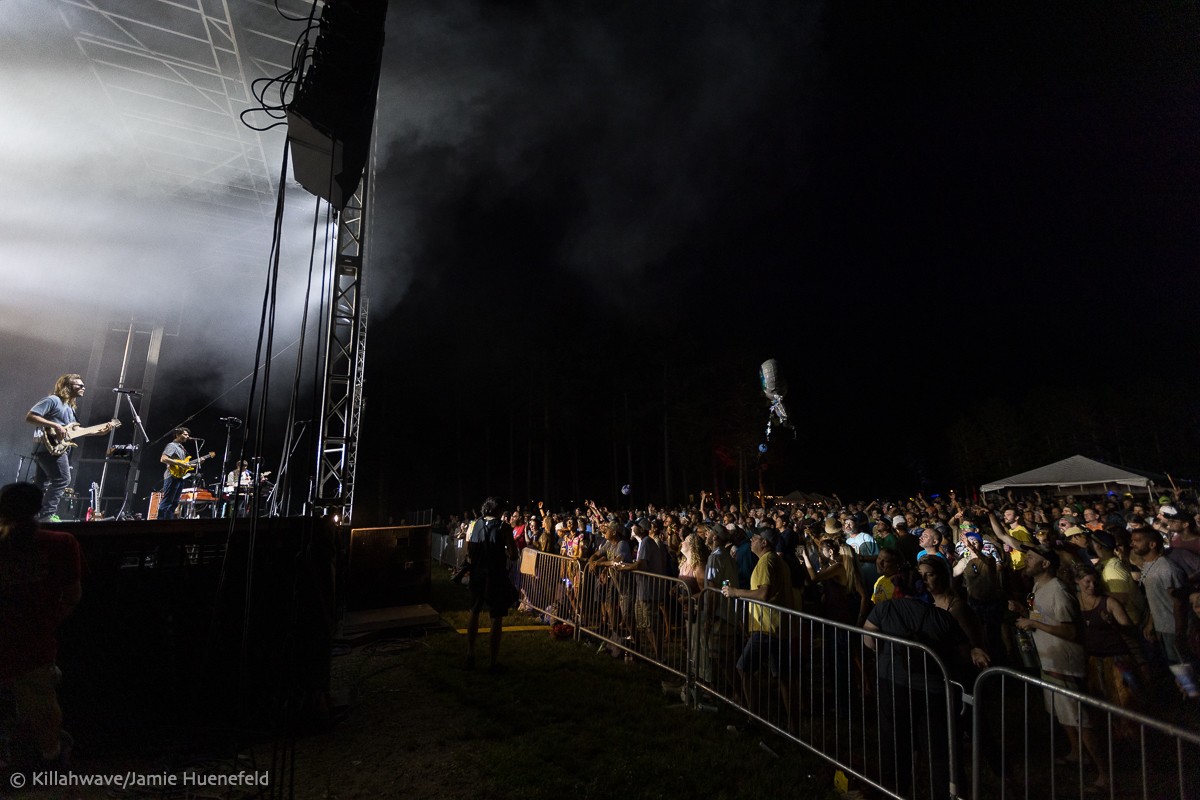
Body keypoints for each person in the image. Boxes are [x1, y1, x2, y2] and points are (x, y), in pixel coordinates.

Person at [1010, 548, 1107, 791]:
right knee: (1063, 714)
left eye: (1031, 558)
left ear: (1045, 564)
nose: (1026, 561)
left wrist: (1032, 622)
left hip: (1065, 663)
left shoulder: (1058, 590)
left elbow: (1070, 631)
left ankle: (1105, 772)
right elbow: (1045, 617)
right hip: (1049, 661)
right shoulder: (1038, 587)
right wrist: (1025, 613)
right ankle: (1077, 753)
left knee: (1079, 718)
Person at [0, 482, 81, 770]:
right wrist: (44, 623)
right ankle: (50, 757)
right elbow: (72, 597)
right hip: (36, 644)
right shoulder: (62, 544)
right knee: (43, 703)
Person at [25, 374, 114, 522]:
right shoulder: (53, 400)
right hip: (49, 449)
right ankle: (46, 515)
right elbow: (30, 416)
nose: (83, 387)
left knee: (41, 484)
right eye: (80, 385)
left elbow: (74, 432)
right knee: (62, 479)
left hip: (50, 449)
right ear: (67, 386)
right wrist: (55, 425)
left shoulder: (70, 407)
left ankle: (31, 515)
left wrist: (98, 432)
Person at [464, 497, 519, 673]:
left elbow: (469, 550)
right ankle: (493, 662)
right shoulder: (504, 527)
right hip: (496, 576)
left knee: (474, 612)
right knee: (496, 618)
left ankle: (470, 654)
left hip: (477, 574)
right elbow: (513, 554)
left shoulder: (473, 525)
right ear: (497, 511)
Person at [158, 428, 193, 520]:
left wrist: (196, 463)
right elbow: (163, 459)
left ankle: (168, 523)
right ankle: (159, 523)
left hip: (179, 476)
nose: (187, 436)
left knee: (174, 503)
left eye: (188, 435)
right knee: (167, 501)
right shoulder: (172, 445)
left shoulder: (181, 448)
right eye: (185, 434)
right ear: (177, 435)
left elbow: (183, 464)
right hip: (171, 476)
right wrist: (179, 463)